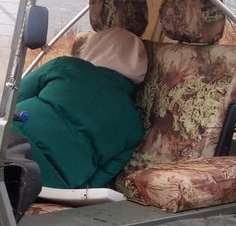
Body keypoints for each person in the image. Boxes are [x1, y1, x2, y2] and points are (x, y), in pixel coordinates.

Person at [11, 27, 148, 189]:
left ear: (95, 48)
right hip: (50, 184)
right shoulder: (135, 127)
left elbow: (12, 97)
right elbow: (101, 177)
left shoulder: (66, 66)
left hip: (10, 144)